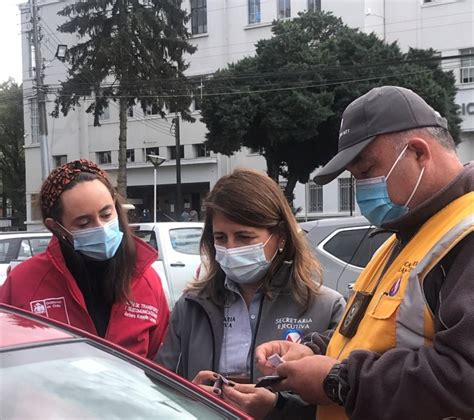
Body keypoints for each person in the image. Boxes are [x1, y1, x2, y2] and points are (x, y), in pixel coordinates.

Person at [255, 86, 474, 419]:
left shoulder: (465, 236)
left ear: (417, 152)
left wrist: (338, 381)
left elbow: (465, 374)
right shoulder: (404, 237)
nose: (361, 189)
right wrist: (313, 350)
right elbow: (368, 334)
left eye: (367, 171)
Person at [157, 168, 346, 419]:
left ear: (279, 237)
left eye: (244, 237)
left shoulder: (326, 307)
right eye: (220, 237)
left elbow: (341, 400)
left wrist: (277, 406)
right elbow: (159, 392)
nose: (230, 248)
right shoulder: (191, 306)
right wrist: (190, 394)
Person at [0, 159, 169, 359]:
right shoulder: (24, 283)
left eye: (106, 214)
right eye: (83, 223)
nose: (101, 227)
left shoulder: (146, 280)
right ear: (56, 227)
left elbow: (161, 367)